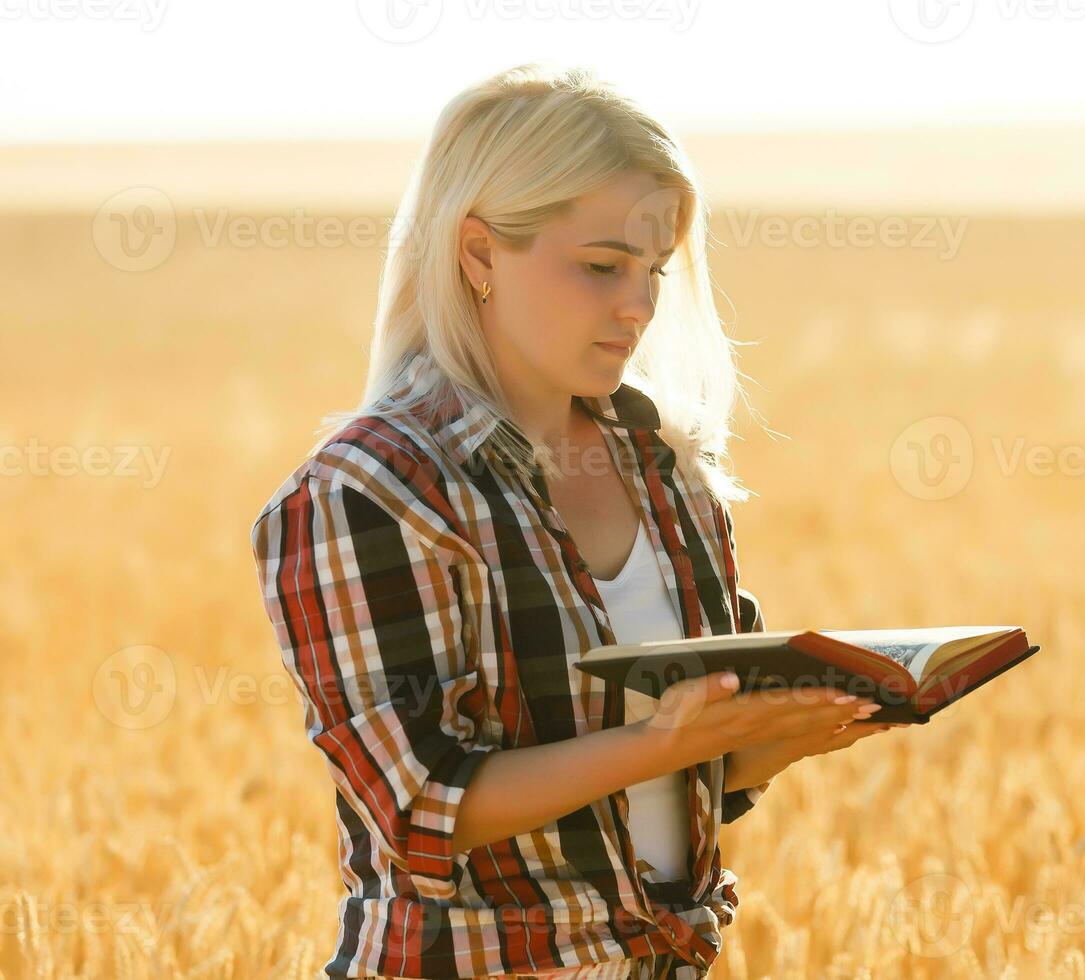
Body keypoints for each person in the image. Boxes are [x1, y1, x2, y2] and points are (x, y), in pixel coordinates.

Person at [249, 63, 906, 979]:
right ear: (479, 254)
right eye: (601, 267)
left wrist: (779, 735)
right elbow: (415, 806)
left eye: (653, 272)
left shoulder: (667, 470)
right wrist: (660, 743)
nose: (636, 307)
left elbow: (684, 781)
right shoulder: (368, 494)